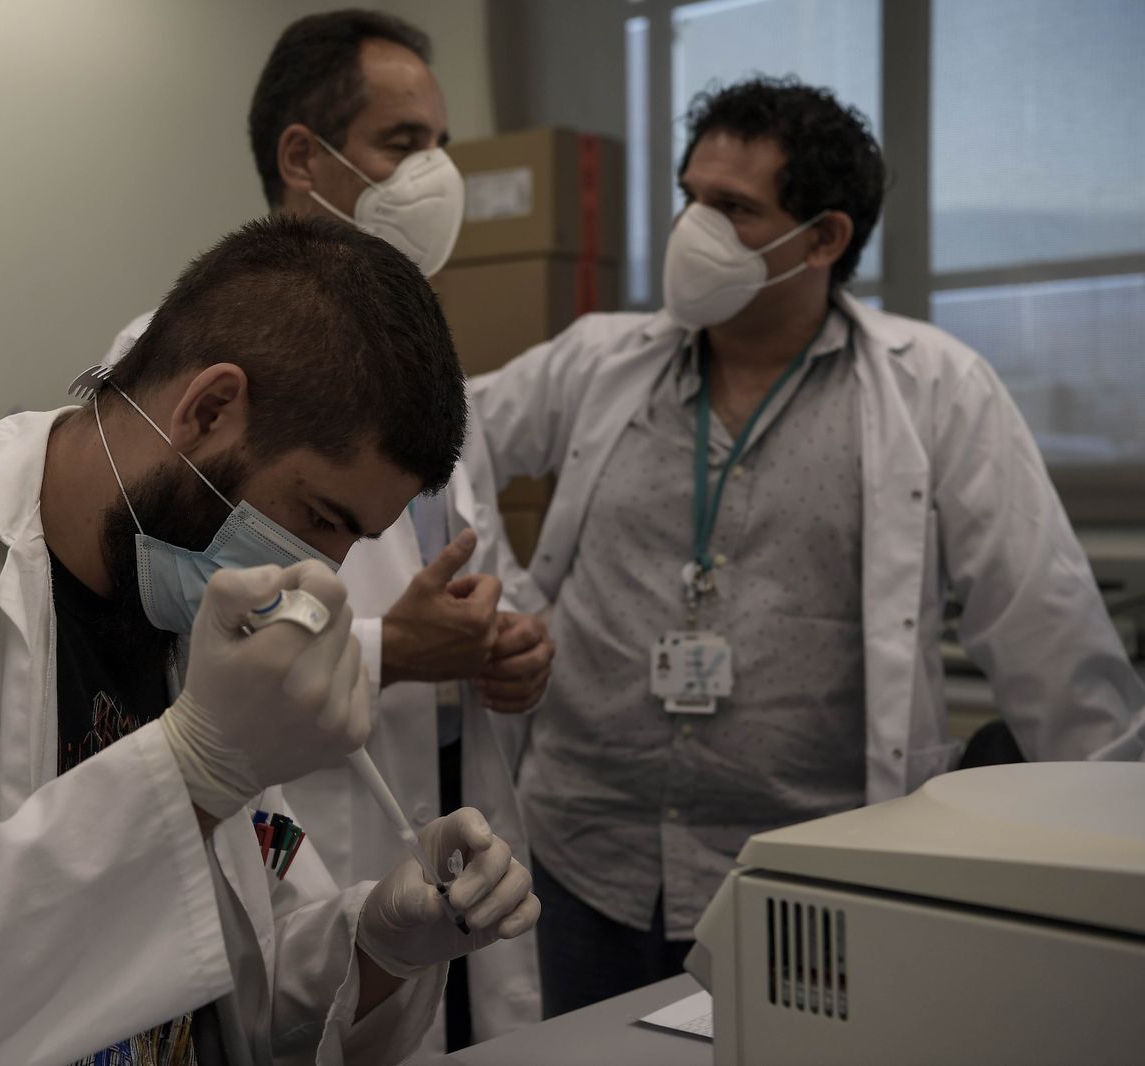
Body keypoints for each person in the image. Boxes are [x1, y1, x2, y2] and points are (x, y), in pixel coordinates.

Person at [0, 216, 540, 1066]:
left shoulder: (190, 611)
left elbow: (238, 1001)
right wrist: (189, 774)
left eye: (353, 540)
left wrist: (378, 946)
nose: (326, 570)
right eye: (318, 517)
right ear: (210, 409)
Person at [468, 76, 1145, 1017]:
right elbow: (440, 441)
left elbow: (1047, 629)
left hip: (802, 871)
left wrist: (1119, 870)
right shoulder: (600, 360)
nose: (693, 230)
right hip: (582, 855)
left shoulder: (937, 388)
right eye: (690, 198)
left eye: (734, 208)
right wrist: (500, 604)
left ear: (824, 239)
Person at [103, 10, 548, 1051]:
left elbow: (471, 568)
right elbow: (165, 623)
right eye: (402, 142)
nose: (435, 173)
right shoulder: (177, 362)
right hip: (302, 830)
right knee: (317, 1007)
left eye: (440, 143)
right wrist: (396, 650)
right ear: (302, 157)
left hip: (452, 807)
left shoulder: (424, 377)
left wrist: (507, 641)